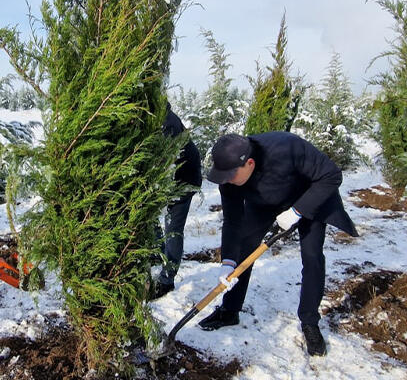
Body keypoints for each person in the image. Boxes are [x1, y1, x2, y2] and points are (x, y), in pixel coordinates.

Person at [200, 132, 358, 356]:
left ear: (250, 163)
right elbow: (233, 220)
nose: (226, 180)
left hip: (309, 197)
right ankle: (230, 310)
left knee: (312, 256)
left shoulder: (287, 148)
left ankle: (310, 322)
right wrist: (228, 260)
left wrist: (297, 211)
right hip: (265, 202)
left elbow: (331, 175)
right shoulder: (230, 177)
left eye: (231, 175)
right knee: (245, 248)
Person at [150, 103, 202, 300]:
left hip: (183, 181)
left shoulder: (167, 124)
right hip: (164, 180)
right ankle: (157, 253)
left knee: (173, 228)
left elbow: (164, 163)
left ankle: (167, 280)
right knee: (149, 217)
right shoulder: (152, 118)